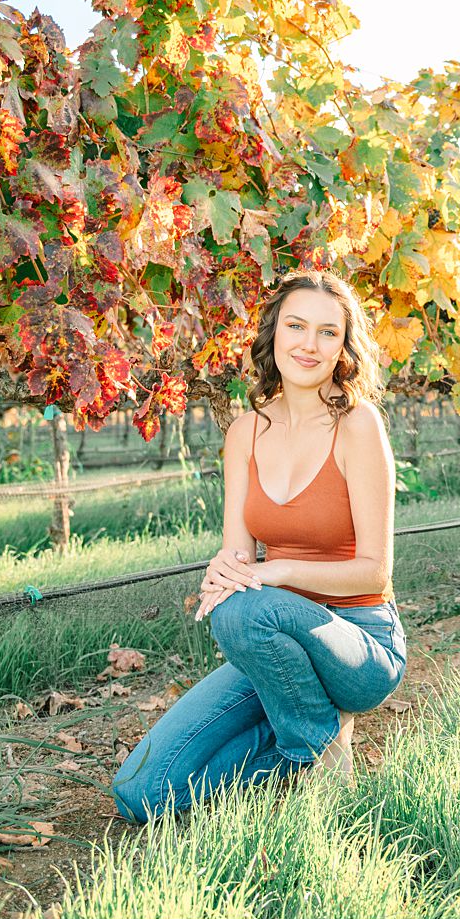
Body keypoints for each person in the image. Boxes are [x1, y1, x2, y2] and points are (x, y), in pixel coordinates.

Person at [112, 269, 406, 824]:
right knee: (140, 791)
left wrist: (271, 574)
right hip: (277, 648)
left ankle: (320, 752)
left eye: (328, 332)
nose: (309, 344)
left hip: (361, 645)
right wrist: (226, 572)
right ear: (274, 333)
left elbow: (373, 572)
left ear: (344, 346)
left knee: (246, 609)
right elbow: (239, 557)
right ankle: (306, 735)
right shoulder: (246, 430)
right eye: (296, 326)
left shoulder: (358, 424)